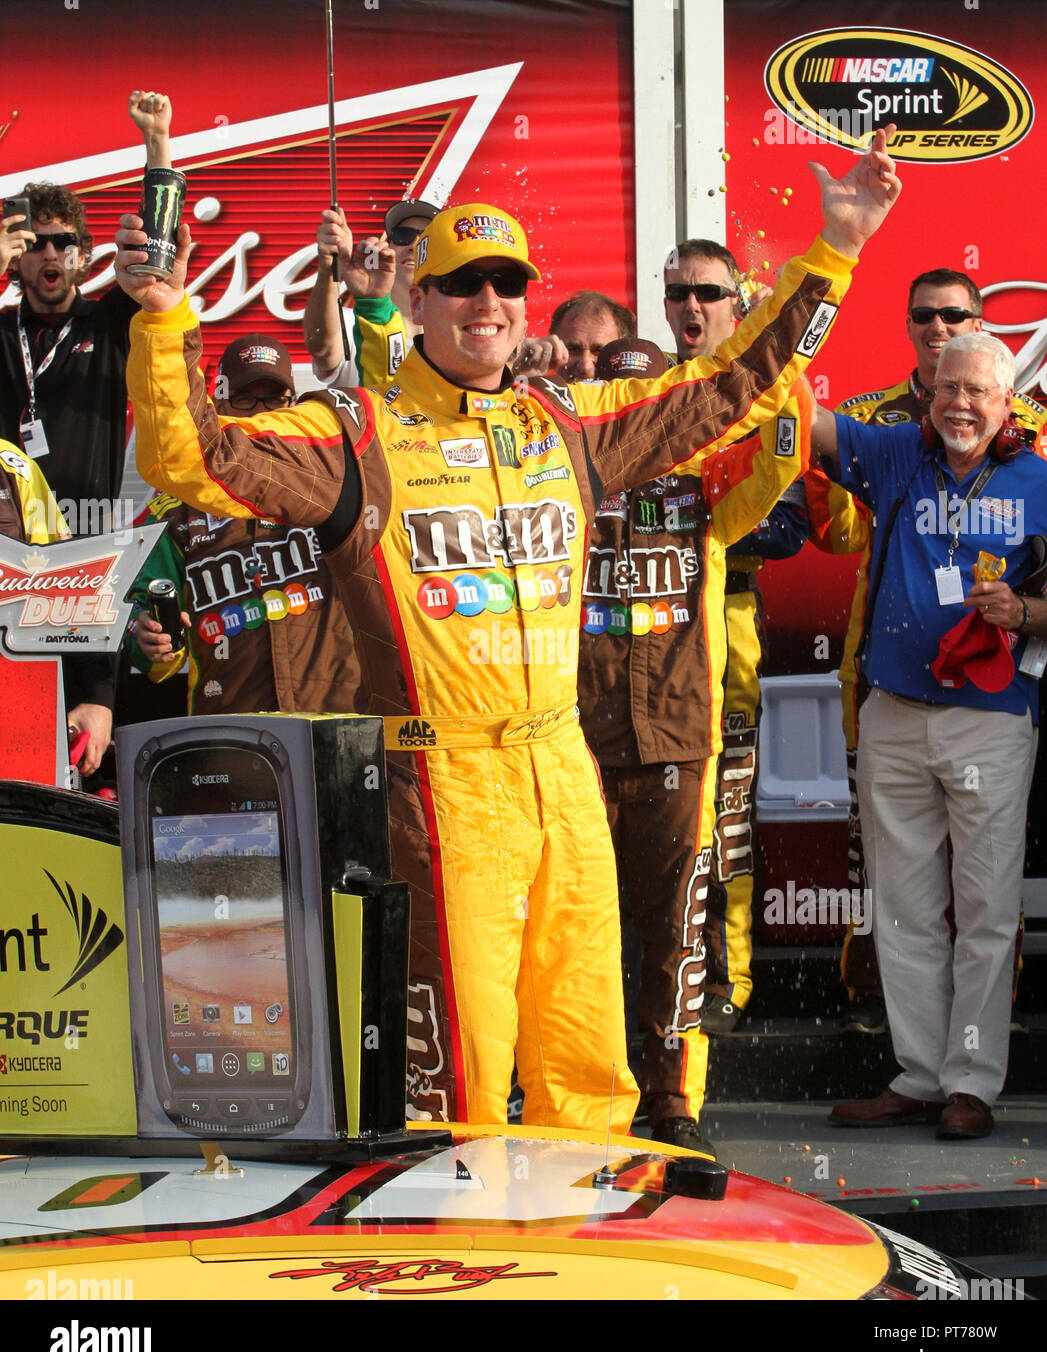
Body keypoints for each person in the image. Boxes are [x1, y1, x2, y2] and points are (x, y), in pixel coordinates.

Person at [115, 128, 901, 1132]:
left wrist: (835, 246)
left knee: (585, 1054)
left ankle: (592, 1247)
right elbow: (194, 457)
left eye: (507, 283)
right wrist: (164, 316)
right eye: (463, 282)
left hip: (560, 759)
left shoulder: (565, 425)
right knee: (466, 1072)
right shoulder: (357, 432)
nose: (489, 302)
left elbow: (730, 389)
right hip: (438, 781)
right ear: (422, 298)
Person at [577, 336, 811, 1149]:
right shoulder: (559, 483)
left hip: (678, 735)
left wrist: (788, 373)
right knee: (582, 927)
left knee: (676, 927)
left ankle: (674, 1101)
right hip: (574, 739)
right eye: (629, 405)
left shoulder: (709, 488)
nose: (649, 431)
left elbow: (783, 455)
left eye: (661, 411)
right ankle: (591, 1096)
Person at [803, 270, 1047, 1034]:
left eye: (977, 391)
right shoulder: (894, 455)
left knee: (982, 908)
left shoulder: (1038, 476)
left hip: (994, 718)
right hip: (894, 711)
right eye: (946, 389)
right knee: (904, 910)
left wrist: (1024, 609)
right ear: (928, 393)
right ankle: (917, 1073)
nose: (960, 404)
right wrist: (807, 282)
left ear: (1011, 404)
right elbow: (798, 417)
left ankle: (971, 1079)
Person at [0, 89, 172, 775]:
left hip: (80, 552)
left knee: (76, 761)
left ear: (82, 252)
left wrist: (156, 145)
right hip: (2, 550)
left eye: (62, 242)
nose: (48, 253)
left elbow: (156, 264)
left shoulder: (107, 324)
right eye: (33, 241)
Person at [664, 239, 809, 1035]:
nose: (691, 308)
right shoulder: (642, 392)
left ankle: (733, 982)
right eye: (678, 293)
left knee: (724, 814)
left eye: (707, 294)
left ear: (737, 304)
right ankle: (664, 976)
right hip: (636, 640)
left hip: (727, 625)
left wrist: (696, 535)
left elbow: (786, 529)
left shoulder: (771, 393)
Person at [126, 333, 360, 716]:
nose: (260, 413)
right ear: (218, 403)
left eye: (273, 399)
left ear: (294, 406)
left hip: (340, 719)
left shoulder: (333, 486)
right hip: (228, 727)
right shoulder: (176, 509)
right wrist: (149, 636)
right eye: (246, 399)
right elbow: (148, 631)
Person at [304, 198, 437, 389]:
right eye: (402, 235)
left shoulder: (455, 335)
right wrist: (328, 268)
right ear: (389, 247)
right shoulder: (353, 321)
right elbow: (321, 348)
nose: (413, 244)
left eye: (426, 238)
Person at [546, 291, 635, 382]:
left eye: (599, 351)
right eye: (573, 349)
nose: (585, 367)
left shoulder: (643, 394)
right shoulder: (532, 393)